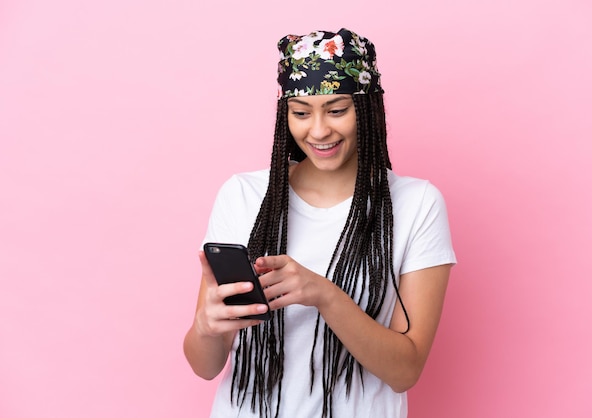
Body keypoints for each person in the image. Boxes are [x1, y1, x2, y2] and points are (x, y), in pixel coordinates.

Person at [183, 28, 457, 418]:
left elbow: (405, 370)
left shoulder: (416, 204)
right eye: (300, 112)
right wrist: (208, 327)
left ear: (367, 109)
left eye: (336, 109)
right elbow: (204, 366)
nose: (318, 130)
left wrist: (324, 294)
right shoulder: (242, 195)